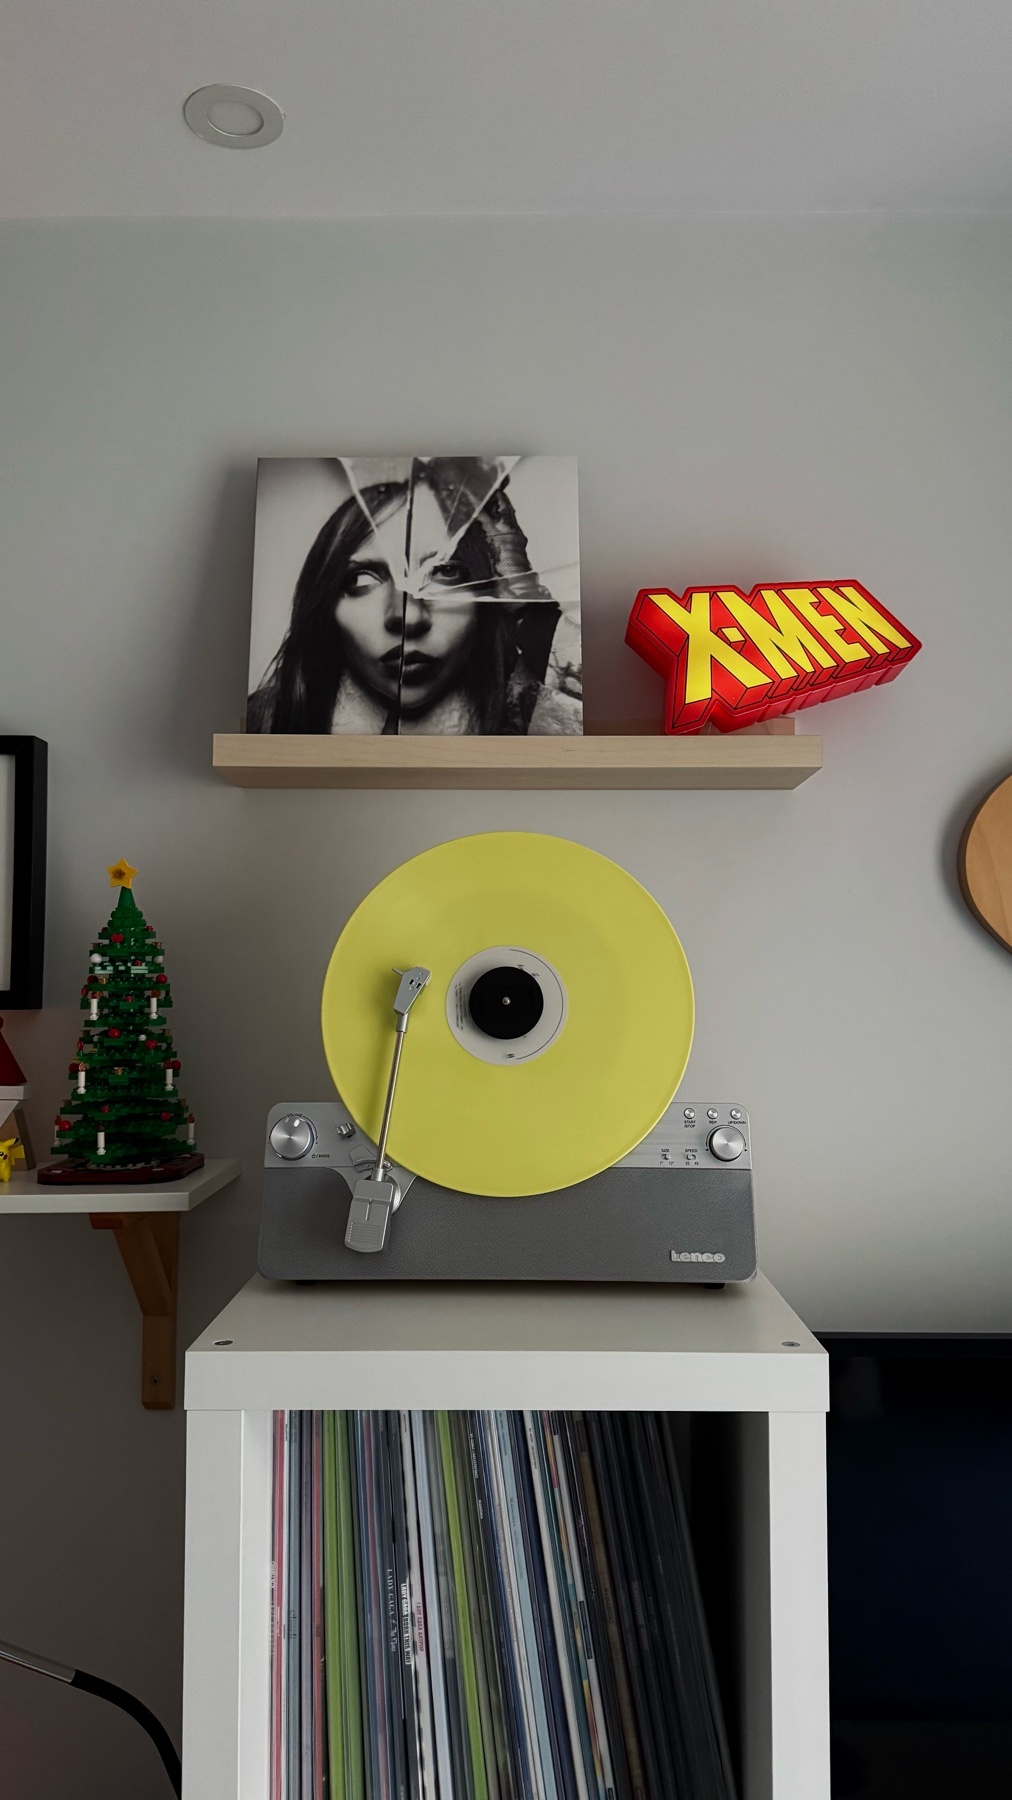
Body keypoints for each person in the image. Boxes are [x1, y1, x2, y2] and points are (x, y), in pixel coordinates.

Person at [247, 459, 582, 735]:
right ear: (324, 608)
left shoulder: (539, 717)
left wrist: (526, 602)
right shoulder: (260, 725)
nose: (408, 617)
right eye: (362, 578)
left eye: (444, 572)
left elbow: (583, 723)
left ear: (487, 596)